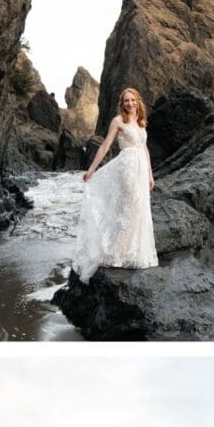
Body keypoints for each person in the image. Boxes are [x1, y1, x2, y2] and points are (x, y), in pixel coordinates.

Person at [71, 87, 158, 284]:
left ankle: (130, 252)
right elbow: (105, 146)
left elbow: (145, 149)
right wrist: (92, 169)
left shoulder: (142, 121)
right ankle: (112, 253)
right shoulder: (118, 121)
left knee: (138, 210)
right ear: (122, 103)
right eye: (126, 101)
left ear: (138, 102)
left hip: (141, 169)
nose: (130, 103)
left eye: (133, 100)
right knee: (128, 207)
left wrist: (150, 175)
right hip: (126, 168)